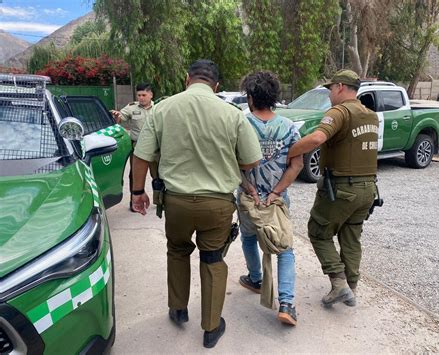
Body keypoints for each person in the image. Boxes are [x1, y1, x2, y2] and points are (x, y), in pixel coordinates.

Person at [130, 60, 262, 348]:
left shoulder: (162, 109)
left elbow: (142, 155)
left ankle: (178, 310)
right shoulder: (233, 114)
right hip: (216, 205)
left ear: (187, 79)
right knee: (213, 259)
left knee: (177, 251)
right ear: (216, 86)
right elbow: (251, 160)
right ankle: (211, 328)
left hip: (175, 202)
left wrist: (137, 191)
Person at [287, 69, 378, 307]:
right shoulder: (370, 115)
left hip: (342, 187)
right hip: (369, 188)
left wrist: (289, 152)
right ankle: (352, 287)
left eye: (330, 90)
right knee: (351, 235)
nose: (329, 95)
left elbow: (317, 139)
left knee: (318, 231)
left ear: (339, 87)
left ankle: (339, 283)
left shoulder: (339, 112)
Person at [237, 71, 303, 325]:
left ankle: (256, 279)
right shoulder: (288, 127)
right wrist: (275, 192)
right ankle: (286, 303)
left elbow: (234, 164)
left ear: (251, 97)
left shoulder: (242, 124)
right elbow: (296, 164)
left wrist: (251, 190)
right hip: (277, 200)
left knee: (249, 238)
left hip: (249, 199)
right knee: (285, 248)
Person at [110, 83, 158, 212]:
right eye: (139, 95)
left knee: (157, 174)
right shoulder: (132, 108)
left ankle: (159, 200)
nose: (141, 98)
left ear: (151, 95)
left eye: (144, 95)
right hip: (137, 147)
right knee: (135, 175)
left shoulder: (158, 108)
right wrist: (116, 116)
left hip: (155, 148)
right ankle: (134, 202)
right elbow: (120, 117)